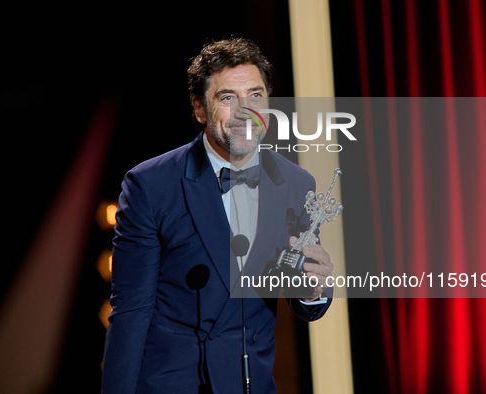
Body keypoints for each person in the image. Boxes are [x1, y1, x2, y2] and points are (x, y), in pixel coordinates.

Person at [102, 37, 334, 394]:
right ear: (199, 108)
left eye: (256, 95)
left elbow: (304, 297)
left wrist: (313, 290)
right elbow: (131, 313)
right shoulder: (150, 185)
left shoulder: (296, 182)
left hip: (251, 383)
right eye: (228, 98)